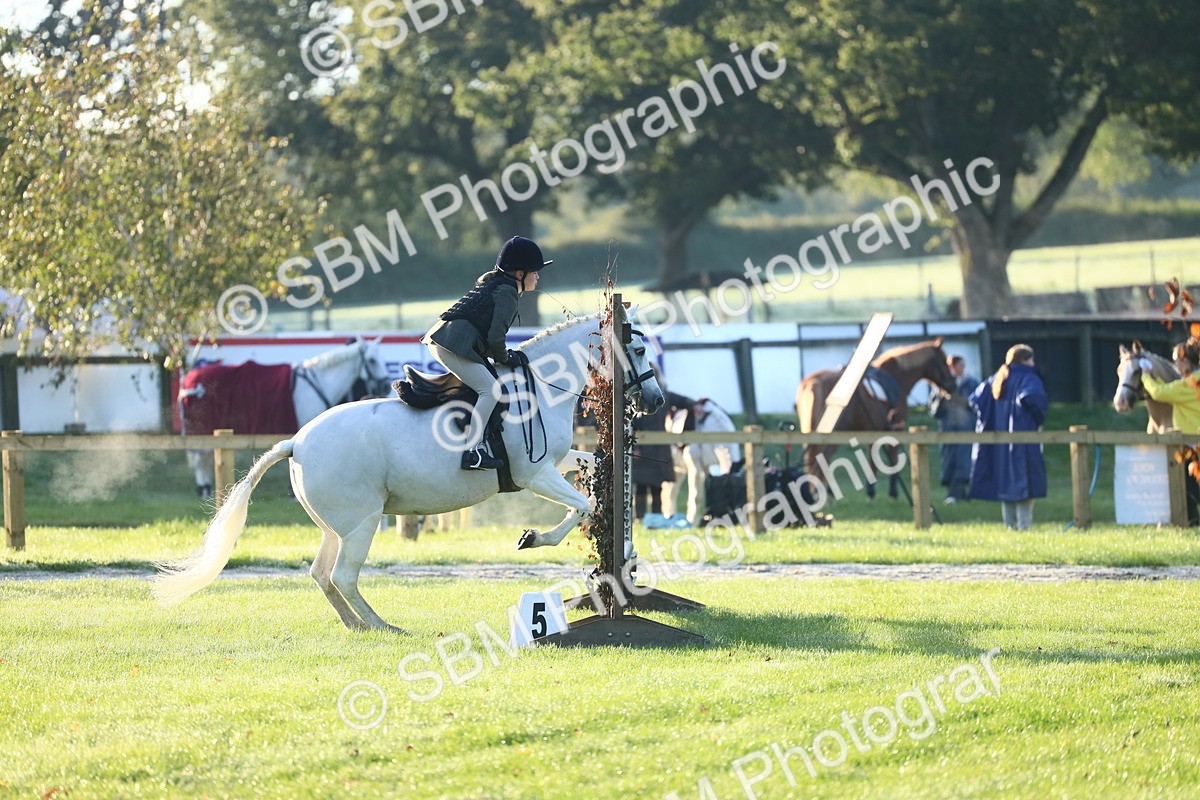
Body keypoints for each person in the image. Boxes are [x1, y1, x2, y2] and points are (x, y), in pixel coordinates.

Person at [422, 236, 551, 470]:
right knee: (491, 391)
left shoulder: (499, 284)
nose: (538, 276)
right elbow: (495, 339)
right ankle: (472, 453)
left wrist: (503, 356)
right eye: (535, 271)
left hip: (447, 339)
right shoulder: (508, 293)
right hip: (452, 344)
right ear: (519, 274)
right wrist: (507, 358)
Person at [968, 344, 1048, 529]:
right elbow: (1033, 398)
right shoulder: (1029, 377)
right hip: (1023, 440)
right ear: (1026, 360)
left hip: (998, 443)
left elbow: (975, 401)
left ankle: (1009, 527)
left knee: (1005, 483)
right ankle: (1024, 527)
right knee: (1024, 483)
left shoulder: (996, 379)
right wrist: (1038, 419)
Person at [1139, 337, 1200, 525]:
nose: (1174, 364)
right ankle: (1192, 521)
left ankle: (1192, 520)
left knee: (1190, 487)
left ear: (1185, 361)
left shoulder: (1188, 385)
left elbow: (1159, 392)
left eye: (1176, 360)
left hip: (1192, 446)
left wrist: (1145, 375)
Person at [929, 355, 980, 503]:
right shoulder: (941, 386)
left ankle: (964, 492)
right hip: (948, 428)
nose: (963, 369)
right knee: (949, 460)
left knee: (965, 460)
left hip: (966, 428)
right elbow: (934, 410)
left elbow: (975, 404)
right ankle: (952, 493)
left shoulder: (970, 383)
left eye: (963, 365)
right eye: (959, 366)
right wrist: (942, 398)